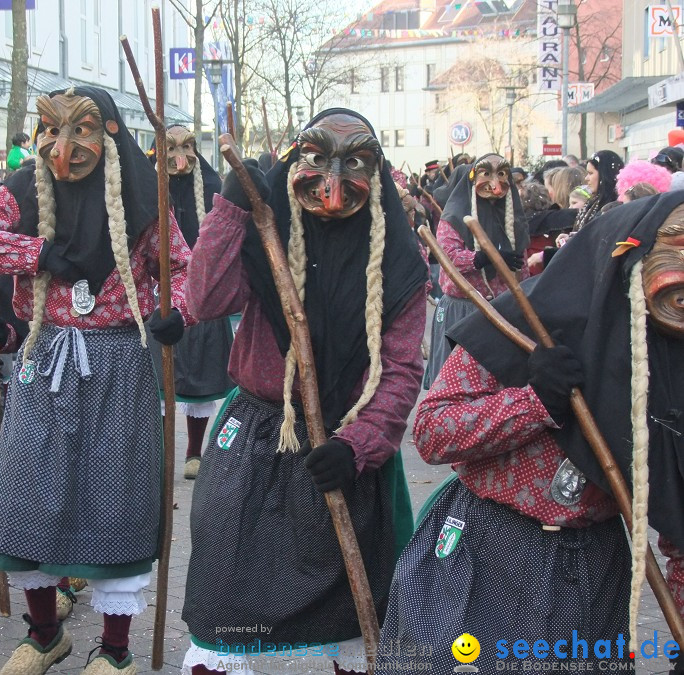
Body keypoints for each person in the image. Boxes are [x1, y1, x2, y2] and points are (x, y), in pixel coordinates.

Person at [379, 190, 684, 674]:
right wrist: (533, 401)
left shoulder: (670, 360)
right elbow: (433, 432)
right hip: (488, 551)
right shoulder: (520, 323)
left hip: (594, 569)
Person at [0, 85, 192, 675]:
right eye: (52, 130)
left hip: (121, 364)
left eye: (80, 130)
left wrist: (173, 313)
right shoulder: (22, 188)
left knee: (116, 499)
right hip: (46, 358)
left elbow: (182, 267)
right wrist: (35, 253)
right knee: (27, 495)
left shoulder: (143, 196)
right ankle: (44, 634)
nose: (64, 147)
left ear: (109, 131)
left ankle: (113, 649)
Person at [181, 108, 429, 675]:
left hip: (344, 454)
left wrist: (359, 445)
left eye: (356, 164)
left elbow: (400, 369)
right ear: (294, 162)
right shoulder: (265, 232)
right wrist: (233, 206)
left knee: (354, 613)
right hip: (255, 442)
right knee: (225, 602)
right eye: (316, 161)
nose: (333, 189)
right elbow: (203, 301)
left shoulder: (397, 264)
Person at [148, 125, 234, 480]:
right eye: (171, 147)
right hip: (159, 291)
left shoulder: (212, 185)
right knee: (161, 377)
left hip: (200, 295)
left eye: (186, 146)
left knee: (198, 374)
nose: (179, 154)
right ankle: (162, 450)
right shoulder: (148, 188)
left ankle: (193, 452)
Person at [424, 154, 529, 388]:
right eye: (487, 175)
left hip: (503, 311)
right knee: (455, 385)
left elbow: (522, 266)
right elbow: (448, 258)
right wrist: (483, 257)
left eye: (501, 175)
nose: (494, 185)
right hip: (463, 309)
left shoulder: (512, 219)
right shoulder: (453, 218)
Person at [574, 150, 623, 230]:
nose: (586, 178)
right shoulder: (593, 202)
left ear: (604, 175)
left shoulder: (616, 206)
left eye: (590, 173)